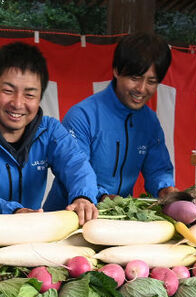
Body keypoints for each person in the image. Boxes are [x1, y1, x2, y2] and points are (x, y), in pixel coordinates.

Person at [0, 42, 99, 224]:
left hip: (29, 235)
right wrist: (14, 212)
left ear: (40, 98)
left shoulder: (51, 131)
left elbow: (76, 164)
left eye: (30, 95)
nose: (17, 103)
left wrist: (83, 197)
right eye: (8, 91)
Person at [44, 33, 178, 211]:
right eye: (135, 78)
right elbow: (74, 171)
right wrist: (103, 197)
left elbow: (158, 169)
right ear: (116, 70)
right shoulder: (83, 116)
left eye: (151, 81)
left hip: (117, 217)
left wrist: (165, 189)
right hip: (68, 214)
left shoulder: (150, 121)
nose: (141, 89)